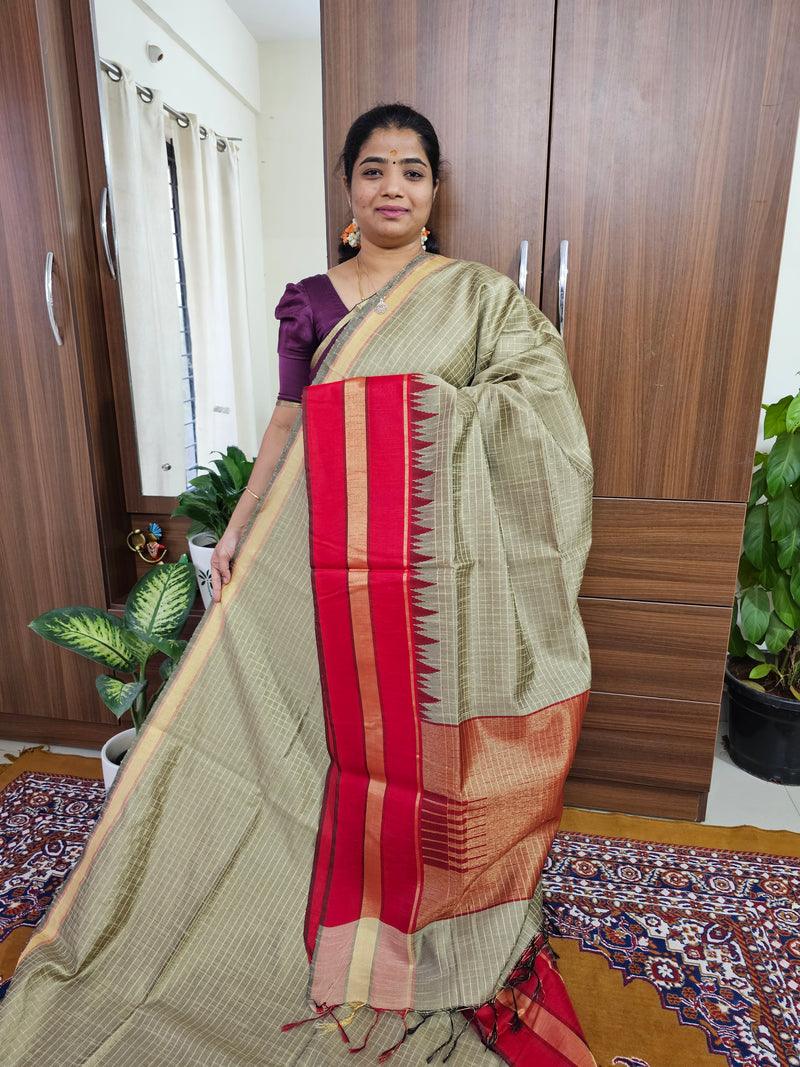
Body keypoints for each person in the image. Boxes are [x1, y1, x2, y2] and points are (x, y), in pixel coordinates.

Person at [0, 105, 595, 1066]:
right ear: (347, 191)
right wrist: (232, 533)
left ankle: (401, 891)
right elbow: (286, 427)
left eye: (410, 170)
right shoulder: (312, 300)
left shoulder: (478, 299)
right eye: (371, 170)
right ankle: (284, 881)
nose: (391, 186)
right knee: (303, 728)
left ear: (434, 190)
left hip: (426, 587)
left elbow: (539, 410)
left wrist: (421, 412)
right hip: (317, 560)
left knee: (395, 734)